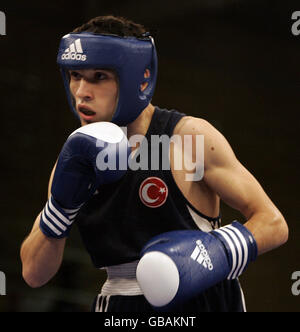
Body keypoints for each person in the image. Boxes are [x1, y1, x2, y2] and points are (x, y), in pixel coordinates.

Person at [20, 15, 288, 312]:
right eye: (75, 75)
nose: (82, 91)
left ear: (140, 78)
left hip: (202, 297)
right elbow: (33, 273)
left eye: (99, 77)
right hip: (121, 305)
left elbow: (273, 223)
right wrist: (59, 210)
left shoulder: (188, 137)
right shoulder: (74, 160)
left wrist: (215, 251)